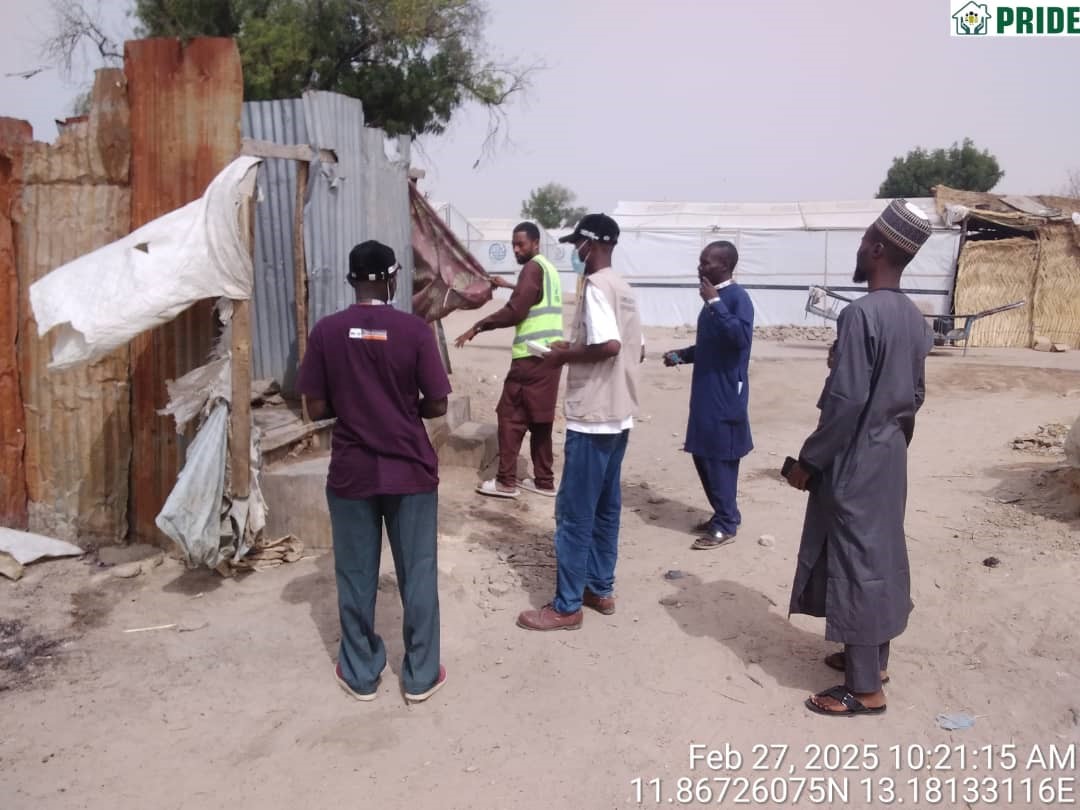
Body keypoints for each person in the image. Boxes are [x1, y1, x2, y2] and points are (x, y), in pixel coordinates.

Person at [783, 200, 935, 717]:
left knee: (856, 561)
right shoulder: (915, 319)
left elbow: (845, 402)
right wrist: (889, 444)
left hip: (855, 461)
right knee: (879, 556)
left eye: (862, 238)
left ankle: (865, 689)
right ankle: (873, 657)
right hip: (889, 460)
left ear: (876, 248)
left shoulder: (860, 315)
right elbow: (912, 396)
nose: (857, 246)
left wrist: (809, 461)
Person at [297, 240, 451, 704]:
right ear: (392, 278)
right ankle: (421, 674)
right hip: (409, 472)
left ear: (351, 280)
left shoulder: (327, 332)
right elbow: (438, 403)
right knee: (418, 572)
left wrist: (357, 405)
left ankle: (362, 673)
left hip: (352, 473)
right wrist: (403, 409)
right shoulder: (415, 332)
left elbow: (315, 407)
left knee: (356, 573)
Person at [516, 213, 643, 631]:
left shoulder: (596, 287)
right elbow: (634, 349)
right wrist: (571, 345)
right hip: (619, 414)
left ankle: (567, 605)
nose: (575, 253)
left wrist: (563, 356)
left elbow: (609, 345)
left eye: (577, 246)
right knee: (606, 508)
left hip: (593, 417)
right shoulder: (624, 289)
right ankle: (599, 588)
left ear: (592, 244)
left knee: (573, 515)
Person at [454, 222, 563, 499]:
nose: (516, 249)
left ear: (535, 243)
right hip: (550, 357)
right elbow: (533, 297)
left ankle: (505, 482)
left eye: (521, 244)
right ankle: (544, 481)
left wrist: (479, 325)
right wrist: (509, 285)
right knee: (540, 420)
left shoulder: (531, 269)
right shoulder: (548, 269)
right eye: (513, 244)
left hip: (529, 357)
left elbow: (516, 310)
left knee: (511, 417)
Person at [663, 241, 754, 550]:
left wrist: (715, 303)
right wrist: (681, 355)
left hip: (725, 392)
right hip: (705, 389)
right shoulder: (714, 300)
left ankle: (727, 523)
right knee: (703, 452)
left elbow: (740, 338)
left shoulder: (736, 298)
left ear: (725, 265)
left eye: (707, 263)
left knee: (720, 455)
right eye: (700, 262)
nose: (700, 268)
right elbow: (711, 346)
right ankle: (722, 513)